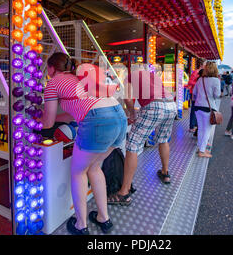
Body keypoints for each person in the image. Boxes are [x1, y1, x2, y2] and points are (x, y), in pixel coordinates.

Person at [40, 52, 127, 235]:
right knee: (95, 167)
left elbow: (47, 122)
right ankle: (104, 219)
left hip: (98, 121)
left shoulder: (53, 83)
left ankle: (81, 225)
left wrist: (34, 119)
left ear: (52, 68)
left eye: (46, 67)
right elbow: (73, 113)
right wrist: (55, 118)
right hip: (118, 117)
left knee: (78, 172)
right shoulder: (78, 78)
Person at [108, 64, 177, 205]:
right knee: (163, 139)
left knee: (132, 145)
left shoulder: (130, 77)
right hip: (171, 105)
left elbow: (127, 99)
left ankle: (124, 192)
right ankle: (165, 173)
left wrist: (132, 113)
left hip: (154, 106)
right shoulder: (153, 76)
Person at [193, 62, 221, 158]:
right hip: (208, 108)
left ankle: (200, 147)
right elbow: (216, 95)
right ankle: (202, 151)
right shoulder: (216, 80)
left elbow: (194, 93)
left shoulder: (200, 79)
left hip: (197, 107)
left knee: (201, 128)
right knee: (207, 130)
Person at [186, 68, 203, 133]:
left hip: (198, 95)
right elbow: (190, 82)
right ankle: (192, 126)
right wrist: (198, 83)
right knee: (194, 110)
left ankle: (195, 126)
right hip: (194, 94)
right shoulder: (196, 72)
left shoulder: (202, 74)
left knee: (197, 111)